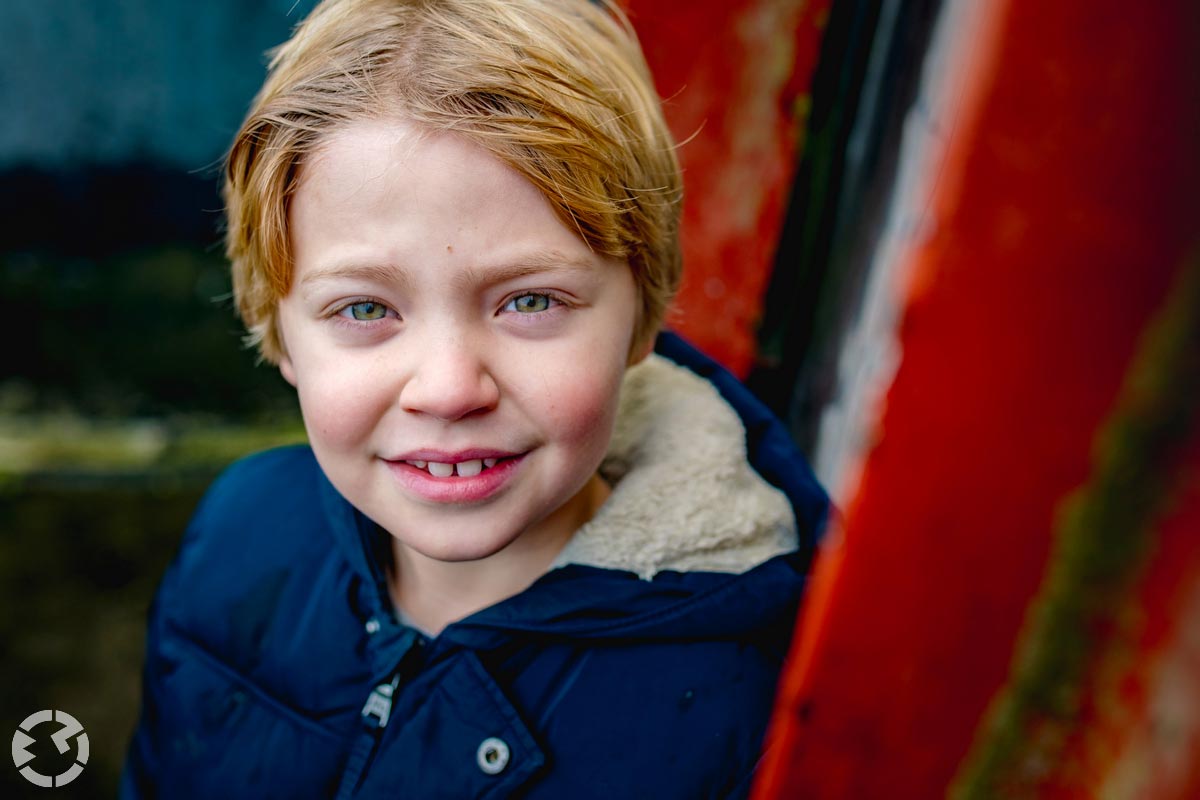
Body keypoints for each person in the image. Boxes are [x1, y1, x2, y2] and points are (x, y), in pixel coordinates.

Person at [122, 0, 828, 797]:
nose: (451, 389)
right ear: (279, 331)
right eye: (365, 309)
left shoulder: (757, 713)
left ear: (642, 316)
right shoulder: (238, 533)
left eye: (529, 302)